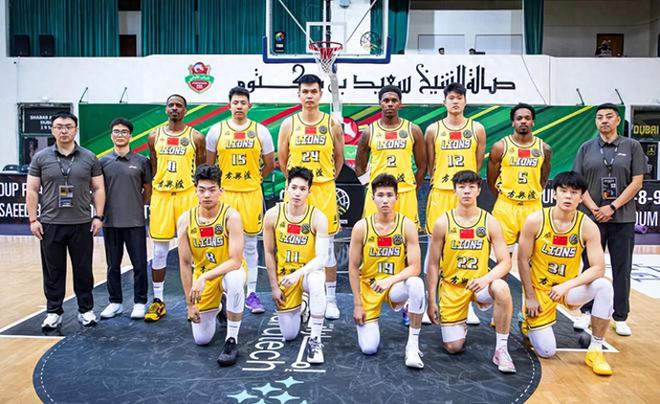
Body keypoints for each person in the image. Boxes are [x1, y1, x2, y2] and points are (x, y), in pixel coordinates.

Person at [518, 171, 614, 376]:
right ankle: (525, 319)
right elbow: (522, 260)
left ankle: (596, 349)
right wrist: (530, 297)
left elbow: (598, 268)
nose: (568, 196)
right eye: (563, 191)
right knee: (547, 351)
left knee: (604, 285)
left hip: (568, 288)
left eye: (574, 192)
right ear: (554, 194)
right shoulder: (535, 220)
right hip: (540, 290)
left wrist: (567, 285)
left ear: (581, 197)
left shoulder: (587, 226)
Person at [425, 170, 516, 373]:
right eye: (462, 187)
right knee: (453, 347)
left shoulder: (489, 221)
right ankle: (460, 323)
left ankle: (501, 350)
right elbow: (432, 264)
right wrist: (431, 300)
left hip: (479, 285)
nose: (466, 191)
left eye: (471, 187)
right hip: (452, 286)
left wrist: (486, 279)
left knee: (501, 287)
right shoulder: (443, 223)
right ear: (454, 190)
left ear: (478, 190)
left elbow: (505, 262)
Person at [26, 111, 105, 329]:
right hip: (50, 223)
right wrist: (33, 220)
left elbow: (98, 188)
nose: (64, 131)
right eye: (59, 127)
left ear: (75, 130)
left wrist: (98, 216)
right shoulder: (41, 157)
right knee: (53, 271)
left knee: (83, 269)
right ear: (52, 130)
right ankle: (53, 312)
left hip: (82, 223)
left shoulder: (89, 157)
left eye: (68, 126)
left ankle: (86, 310)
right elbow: (32, 189)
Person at [572, 103, 645, 336]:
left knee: (622, 268)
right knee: (590, 266)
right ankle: (586, 312)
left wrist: (612, 206)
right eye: (600, 117)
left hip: (622, 218)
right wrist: (595, 209)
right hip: (592, 219)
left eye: (609, 116)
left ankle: (620, 316)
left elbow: (637, 182)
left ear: (617, 120)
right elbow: (578, 184)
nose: (604, 120)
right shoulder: (586, 148)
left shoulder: (632, 146)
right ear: (596, 122)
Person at [278, 74, 344, 320]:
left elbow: (339, 158)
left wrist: (326, 179)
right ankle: (301, 296)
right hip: (298, 192)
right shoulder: (289, 124)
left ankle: (330, 299)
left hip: (324, 191)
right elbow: (282, 159)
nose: (309, 96)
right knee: (295, 244)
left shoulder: (332, 124)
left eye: (313, 91)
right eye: (304, 91)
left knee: (327, 250)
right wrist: (297, 186)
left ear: (320, 94)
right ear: (298, 95)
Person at [206, 86, 275, 315]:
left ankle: (252, 294)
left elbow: (269, 164)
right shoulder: (216, 131)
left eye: (243, 103)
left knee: (250, 245)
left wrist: (254, 179)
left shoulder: (260, 131)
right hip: (226, 194)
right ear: (229, 105)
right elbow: (209, 166)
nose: (239, 106)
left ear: (249, 106)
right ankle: (223, 293)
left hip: (251, 194)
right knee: (222, 244)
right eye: (235, 102)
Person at [348, 173, 426, 368]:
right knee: (369, 348)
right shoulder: (361, 227)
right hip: (369, 287)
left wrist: (389, 280)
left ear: (396, 197)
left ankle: (412, 346)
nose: (385, 200)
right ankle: (379, 313)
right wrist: (357, 304)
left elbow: (415, 267)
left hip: (394, 286)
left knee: (416, 284)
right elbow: (353, 267)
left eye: (389, 195)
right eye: (380, 195)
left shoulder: (407, 225)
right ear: (372, 197)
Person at [425, 82, 486, 325]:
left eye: (460, 98)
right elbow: (431, 164)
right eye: (451, 98)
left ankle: (466, 303)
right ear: (444, 102)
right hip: (441, 193)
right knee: (435, 250)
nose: (455, 102)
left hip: (465, 193)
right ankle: (432, 300)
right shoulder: (433, 130)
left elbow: (477, 164)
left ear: (465, 101)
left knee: (467, 248)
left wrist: (466, 186)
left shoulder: (477, 129)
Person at [178, 164, 246, 366]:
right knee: (202, 340)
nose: (207, 195)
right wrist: (190, 305)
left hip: (227, 271)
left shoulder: (231, 217)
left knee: (235, 280)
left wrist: (204, 277)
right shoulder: (185, 221)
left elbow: (235, 261)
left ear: (221, 191)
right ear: (195, 190)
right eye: (202, 190)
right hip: (203, 276)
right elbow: (184, 263)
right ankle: (219, 306)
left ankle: (231, 340)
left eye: (212, 189)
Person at [146, 94, 206, 322]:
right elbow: (154, 166)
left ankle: (198, 299)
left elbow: (201, 169)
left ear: (185, 110)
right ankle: (158, 300)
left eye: (178, 105)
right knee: (159, 251)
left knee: (193, 251)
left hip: (187, 196)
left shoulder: (196, 137)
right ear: (165, 109)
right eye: (170, 105)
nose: (174, 108)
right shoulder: (154, 136)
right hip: (162, 196)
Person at [263, 167, 329, 364]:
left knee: (317, 279)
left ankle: (315, 340)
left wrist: (298, 274)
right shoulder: (272, 215)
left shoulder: (318, 217)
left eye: (302, 189)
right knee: (289, 335)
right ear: (286, 188)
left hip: (306, 274)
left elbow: (322, 258)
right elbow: (268, 253)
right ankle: (304, 305)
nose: (297, 193)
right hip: (285, 277)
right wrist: (274, 287)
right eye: (294, 188)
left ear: (309, 191)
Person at [99, 118, 152, 319]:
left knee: (139, 265)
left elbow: (148, 189)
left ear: (130, 136)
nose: (120, 135)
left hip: (135, 222)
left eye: (124, 132)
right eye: (116, 131)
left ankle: (140, 302)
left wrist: (136, 205)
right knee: (113, 265)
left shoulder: (142, 161)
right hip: (111, 222)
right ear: (111, 136)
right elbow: (97, 190)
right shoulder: (102, 162)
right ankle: (115, 302)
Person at [355, 85, 426, 228]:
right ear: (380, 103)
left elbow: (423, 166)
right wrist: (370, 187)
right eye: (386, 100)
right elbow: (359, 166)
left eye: (394, 100)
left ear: (400, 104)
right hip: (378, 194)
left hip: (405, 192)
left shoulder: (413, 130)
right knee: (374, 233)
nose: (390, 104)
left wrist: (412, 188)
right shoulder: (369, 132)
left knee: (407, 235)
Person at [487, 103, 552, 249]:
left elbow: (543, 178)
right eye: (519, 118)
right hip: (506, 207)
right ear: (513, 122)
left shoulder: (544, 148)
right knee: (503, 254)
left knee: (532, 254)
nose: (523, 121)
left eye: (527, 118)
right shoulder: (500, 147)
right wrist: (504, 198)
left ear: (533, 122)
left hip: (532, 206)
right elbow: (491, 179)